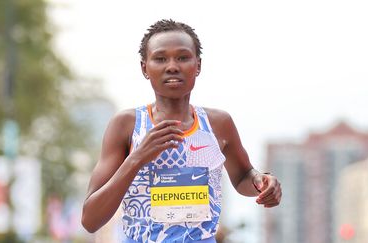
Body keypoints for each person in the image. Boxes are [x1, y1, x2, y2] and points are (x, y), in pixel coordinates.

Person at [81, 19, 282, 243]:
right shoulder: (127, 125)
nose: (172, 66)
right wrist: (137, 158)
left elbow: (244, 176)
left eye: (183, 57)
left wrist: (262, 182)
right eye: (160, 58)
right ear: (144, 67)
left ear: (198, 65)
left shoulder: (218, 124)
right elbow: (91, 220)